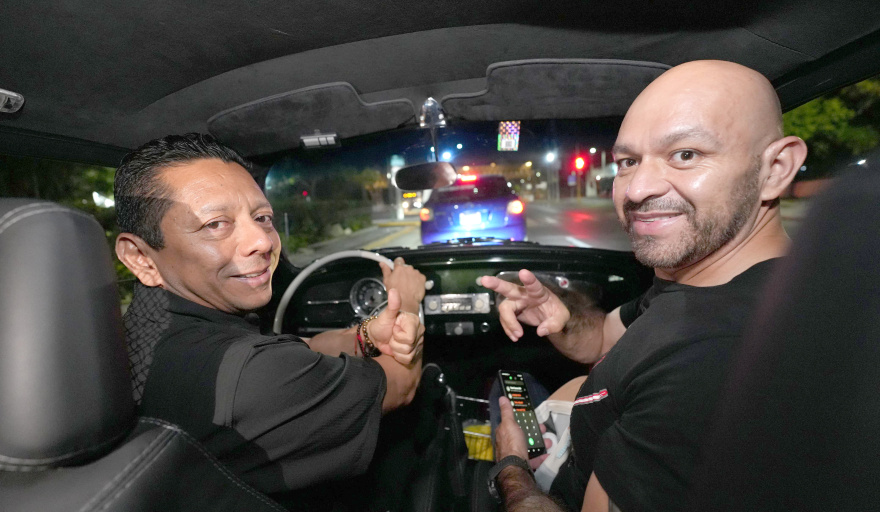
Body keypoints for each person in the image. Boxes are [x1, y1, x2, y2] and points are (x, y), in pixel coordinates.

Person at [481, 60, 808, 511]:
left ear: (776, 169)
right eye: (628, 162)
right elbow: (606, 337)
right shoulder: (705, 279)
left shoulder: (713, 365)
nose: (637, 190)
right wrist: (561, 317)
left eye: (685, 154)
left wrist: (511, 468)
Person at [113, 133, 426, 510]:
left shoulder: (146, 335)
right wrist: (407, 301)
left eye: (262, 218)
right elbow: (402, 385)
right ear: (140, 258)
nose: (261, 241)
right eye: (215, 224)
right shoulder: (252, 376)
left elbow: (300, 349)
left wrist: (365, 334)